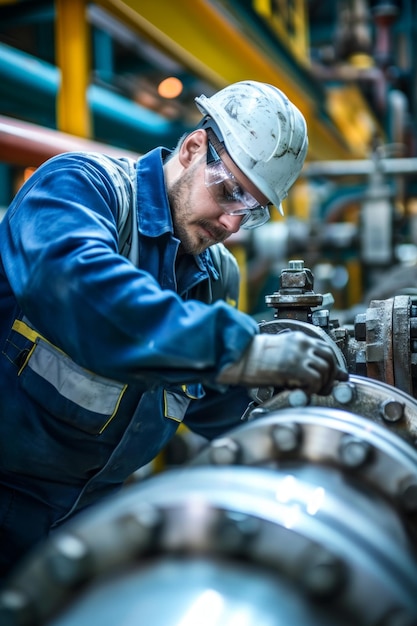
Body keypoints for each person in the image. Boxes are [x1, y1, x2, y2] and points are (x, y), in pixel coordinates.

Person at [0, 80, 348, 581]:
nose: (230, 223)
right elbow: (79, 293)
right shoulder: (81, 187)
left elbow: (208, 400)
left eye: (249, 212)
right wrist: (235, 351)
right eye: (229, 192)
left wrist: (302, 423)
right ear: (192, 148)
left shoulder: (215, 275)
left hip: (92, 527)